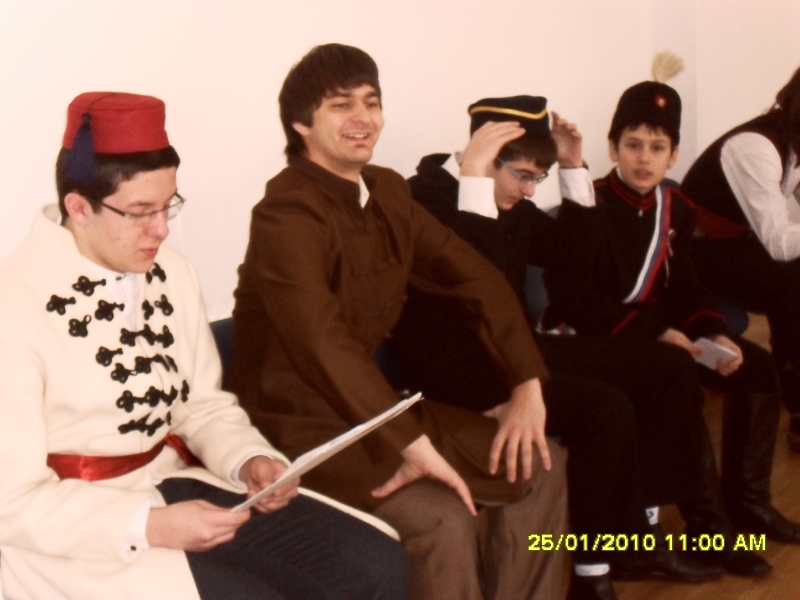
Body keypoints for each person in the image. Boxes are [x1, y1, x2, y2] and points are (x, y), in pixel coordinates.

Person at [0, 91, 408, 600]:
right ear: (78, 207)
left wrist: (249, 459)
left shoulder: (171, 273)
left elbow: (202, 406)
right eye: (140, 212)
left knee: (374, 563)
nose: (162, 229)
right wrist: (149, 524)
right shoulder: (13, 307)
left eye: (168, 205)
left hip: (176, 483)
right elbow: (11, 502)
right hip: (80, 535)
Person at [226, 44, 568, 600]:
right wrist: (411, 443)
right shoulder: (285, 213)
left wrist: (526, 384)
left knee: (540, 464)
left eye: (372, 102)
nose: (363, 118)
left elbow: (477, 278)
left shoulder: (387, 190)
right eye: (341, 105)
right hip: (296, 427)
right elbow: (322, 344)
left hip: (376, 409)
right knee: (441, 516)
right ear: (301, 124)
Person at [388, 95, 729, 600]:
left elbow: (577, 257)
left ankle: (641, 531)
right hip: (453, 366)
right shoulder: (421, 198)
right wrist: (475, 182)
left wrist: (573, 170)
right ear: (485, 154)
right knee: (603, 408)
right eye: (523, 176)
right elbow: (475, 284)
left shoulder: (512, 201)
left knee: (669, 367)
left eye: (538, 178)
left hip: (514, 352)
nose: (530, 190)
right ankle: (592, 575)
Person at [542, 80, 800, 575]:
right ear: (613, 148)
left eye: (657, 147)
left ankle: (749, 506)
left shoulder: (673, 206)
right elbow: (575, 300)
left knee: (757, 369)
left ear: (674, 155)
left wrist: (714, 332)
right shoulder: (589, 204)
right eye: (633, 145)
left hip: (657, 332)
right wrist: (654, 334)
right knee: (674, 372)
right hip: (597, 335)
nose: (644, 158)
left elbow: (686, 288)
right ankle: (707, 528)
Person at [680, 66, 800, 451]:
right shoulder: (756, 147)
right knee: (793, 278)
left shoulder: (792, 143)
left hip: (732, 246)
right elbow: (779, 243)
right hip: (687, 255)